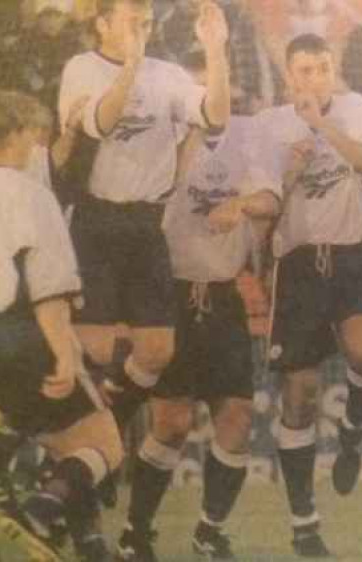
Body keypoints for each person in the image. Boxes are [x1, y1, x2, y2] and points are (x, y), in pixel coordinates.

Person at [115, 51, 281, 562]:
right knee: (172, 423)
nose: (215, 95)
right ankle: (136, 532)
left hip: (224, 296)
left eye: (220, 85)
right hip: (172, 296)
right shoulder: (164, 143)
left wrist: (243, 205)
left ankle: (209, 531)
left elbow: (271, 199)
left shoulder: (247, 143)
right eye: (203, 86)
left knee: (236, 417)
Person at [56, 0, 230, 430]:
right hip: (95, 218)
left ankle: (108, 426)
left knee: (157, 350)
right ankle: (80, 440)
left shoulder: (167, 74)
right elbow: (101, 123)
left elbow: (215, 115)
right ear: (102, 24)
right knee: (93, 347)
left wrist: (216, 51)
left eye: (148, 22)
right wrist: (130, 66)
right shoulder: (81, 68)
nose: (143, 30)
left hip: (146, 222)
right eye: (133, 22)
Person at [253, 32, 362, 557]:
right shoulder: (268, 126)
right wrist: (286, 176)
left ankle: (355, 429)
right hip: (299, 266)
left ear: (333, 71)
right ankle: (304, 522)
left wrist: (322, 125)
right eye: (304, 70)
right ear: (289, 76)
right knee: (301, 395)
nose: (314, 78)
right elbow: (264, 203)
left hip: (353, 256)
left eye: (322, 68)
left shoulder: (356, 110)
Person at [0, 89, 124, 562]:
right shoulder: (30, 194)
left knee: (54, 440)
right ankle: (36, 510)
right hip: (19, 333)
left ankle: (87, 545)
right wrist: (66, 358)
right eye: (37, 135)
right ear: (17, 135)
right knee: (102, 444)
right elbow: (48, 290)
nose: (41, 147)